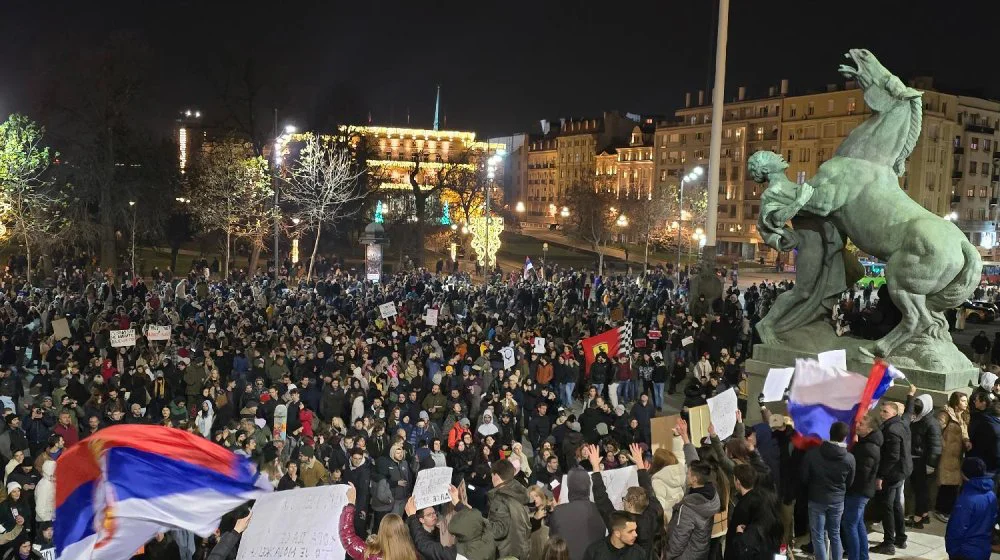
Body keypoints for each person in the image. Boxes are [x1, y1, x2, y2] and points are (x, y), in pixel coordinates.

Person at [802, 421, 855, 560]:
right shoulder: (849, 458)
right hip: (837, 500)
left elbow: (804, 477)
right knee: (835, 533)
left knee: (818, 534)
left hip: (816, 498)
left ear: (829, 433)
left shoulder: (813, 454)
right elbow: (849, 482)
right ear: (845, 437)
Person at [870, 395, 912, 555]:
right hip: (901, 472)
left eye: (885, 412)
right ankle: (900, 537)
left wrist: (881, 476)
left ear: (894, 413)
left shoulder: (891, 430)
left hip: (893, 474)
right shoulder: (901, 424)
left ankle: (889, 543)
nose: (881, 414)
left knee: (887, 506)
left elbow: (892, 457)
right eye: (881, 411)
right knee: (895, 505)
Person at [341, 483, 419, 560]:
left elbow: (349, 539)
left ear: (381, 531)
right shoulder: (413, 554)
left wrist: (351, 504)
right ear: (403, 531)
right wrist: (412, 516)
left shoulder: (370, 555)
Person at [664, 460, 719, 560]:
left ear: (694, 479)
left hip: (686, 555)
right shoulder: (711, 496)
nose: (686, 475)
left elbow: (680, 538)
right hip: (701, 550)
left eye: (688, 473)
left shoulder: (689, 507)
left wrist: (668, 556)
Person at [843, 414, 880, 560]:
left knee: (850, 525)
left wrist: (848, 485)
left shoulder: (868, 448)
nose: (857, 426)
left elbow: (861, 475)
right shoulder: (866, 444)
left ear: (870, 429)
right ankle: (862, 556)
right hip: (859, 491)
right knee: (857, 524)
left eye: (862, 424)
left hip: (858, 492)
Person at [724, 463, 782, 560]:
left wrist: (738, 534)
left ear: (738, 481)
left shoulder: (743, 506)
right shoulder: (763, 499)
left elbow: (737, 544)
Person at [549, 467, 606, 560]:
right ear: (588, 485)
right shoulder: (599, 509)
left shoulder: (558, 511)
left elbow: (553, 541)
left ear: (569, 486)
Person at [945, 457, 997, 560]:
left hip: (965, 552)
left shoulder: (966, 500)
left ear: (964, 474)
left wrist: (952, 551)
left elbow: (956, 529)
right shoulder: (991, 495)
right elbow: (993, 519)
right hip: (983, 550)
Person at [907, 391, 941, 529]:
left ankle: (918, 518)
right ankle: (924, 514)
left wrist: (931, 464)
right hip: (915, 459)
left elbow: (936, 446)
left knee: (920, 490)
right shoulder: (919, 419)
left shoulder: (931, 423)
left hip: (923, 462)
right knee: (920, 488)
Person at [485, 459, 531, 559]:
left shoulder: (501, 499)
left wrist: (478, 519)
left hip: (505, 554)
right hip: (521, 551)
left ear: (496, 476)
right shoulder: (518, 493)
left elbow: (498, 531)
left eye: (492, 476)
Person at [936, 391, 970, 521]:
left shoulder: (963, 415)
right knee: (946, 484)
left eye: (966, 401)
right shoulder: (945, 414)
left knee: (954, 484)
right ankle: (941, 510)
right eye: (962, 401)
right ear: (956, 402)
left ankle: (948, 510)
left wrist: (966, 441)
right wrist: (942, 445)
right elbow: (937, 430)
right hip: (946, 454)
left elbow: (964, 431)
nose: (965, 403)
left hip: (957, 455)